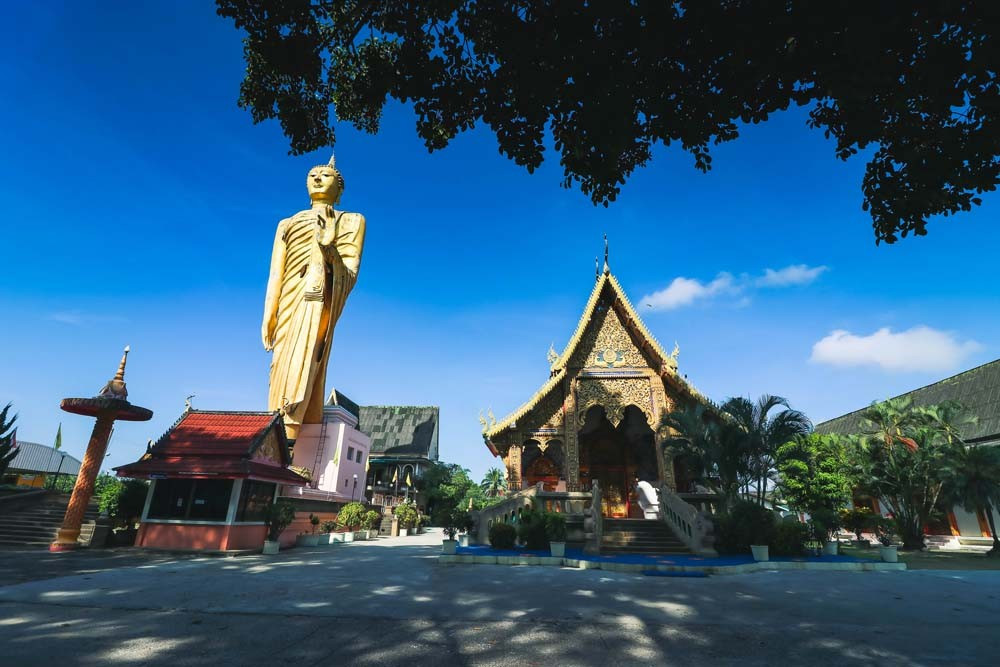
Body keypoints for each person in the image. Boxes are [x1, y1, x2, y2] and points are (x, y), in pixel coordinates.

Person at [262, 156, 365, 439]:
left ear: (340, 189)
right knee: (279, 367)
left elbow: (350, 273)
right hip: (288, 304)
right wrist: (269, 314)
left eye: (326, 175)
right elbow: (276, 274)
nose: (318, 178)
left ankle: (288, 445)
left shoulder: (351, 220)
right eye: (312, 174)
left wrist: (328, 246)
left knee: (304, 363)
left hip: (317, 298)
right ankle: (276, 441)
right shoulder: (287, 223)